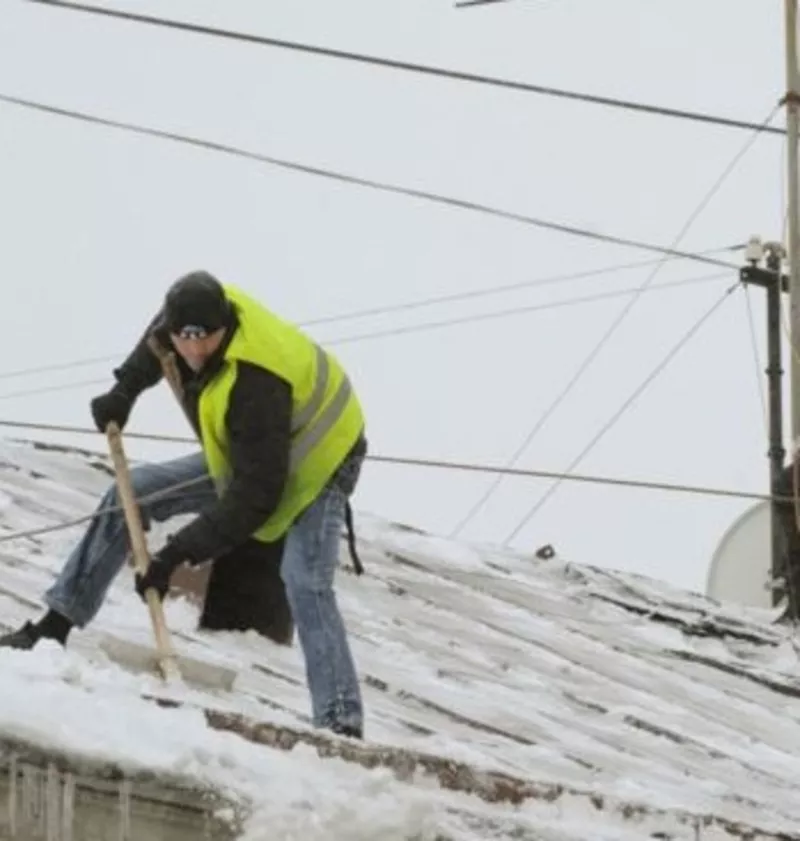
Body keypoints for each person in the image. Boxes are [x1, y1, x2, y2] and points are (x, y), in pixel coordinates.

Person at [0, 271, 368, 739]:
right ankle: (54, 626)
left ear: (224, 327)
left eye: (205, 339)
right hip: (258, 453)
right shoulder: (189, 316)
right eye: (184, 339)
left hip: (323, 456)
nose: (193, 351)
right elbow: (159, 338)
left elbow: (256, 495)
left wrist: (173, 555)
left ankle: (340, 722)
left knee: (304, 578)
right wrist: (125, 391)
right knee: (129, 495)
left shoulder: (257, 380)